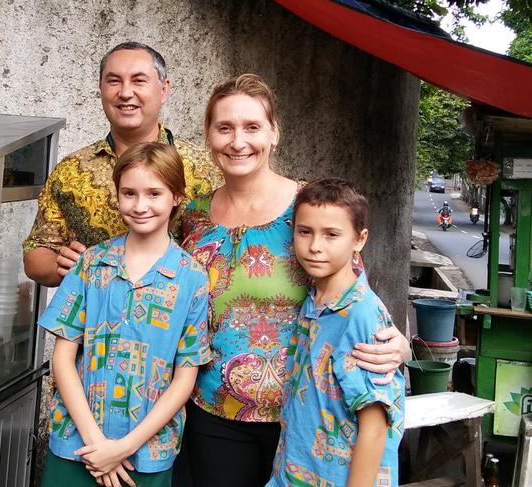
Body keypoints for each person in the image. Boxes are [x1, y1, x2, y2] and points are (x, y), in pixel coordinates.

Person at [178, 74, 409, 487]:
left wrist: (397, 344)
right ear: (208, 135)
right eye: (224, 128)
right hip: (215, 415)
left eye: (252, 127)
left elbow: (354, 295)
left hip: (305, 421)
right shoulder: (192, 219)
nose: (238, 141)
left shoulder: (310, 209)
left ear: (274, 132)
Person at [38, 143, 212, 487]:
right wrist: (96, 443)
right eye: (129, 193)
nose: (140, 205)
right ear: (117, 195)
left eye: (154, 193)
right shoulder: (91, 265)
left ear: (176, 196)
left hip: (145, 454)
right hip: (77, 444)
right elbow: (63, 358)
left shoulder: (191, 279)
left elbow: (184, 378)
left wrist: (124, 448)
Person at [23, 42, 221, 287]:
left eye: (139, 81)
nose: (125, 92)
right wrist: (58, 265)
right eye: (114, 81)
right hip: (98, 318)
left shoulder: (204, 166)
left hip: (181, 316)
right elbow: (36, 250)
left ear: (164, 89)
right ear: (101, 89)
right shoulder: (72, 171)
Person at [266, 177, 405, 487]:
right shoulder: (315, 299)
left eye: (331, 235)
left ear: (359, 239)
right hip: (295, 471)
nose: (315, 246)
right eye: (305, 232)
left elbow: (374, 425)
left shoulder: (360, 315)